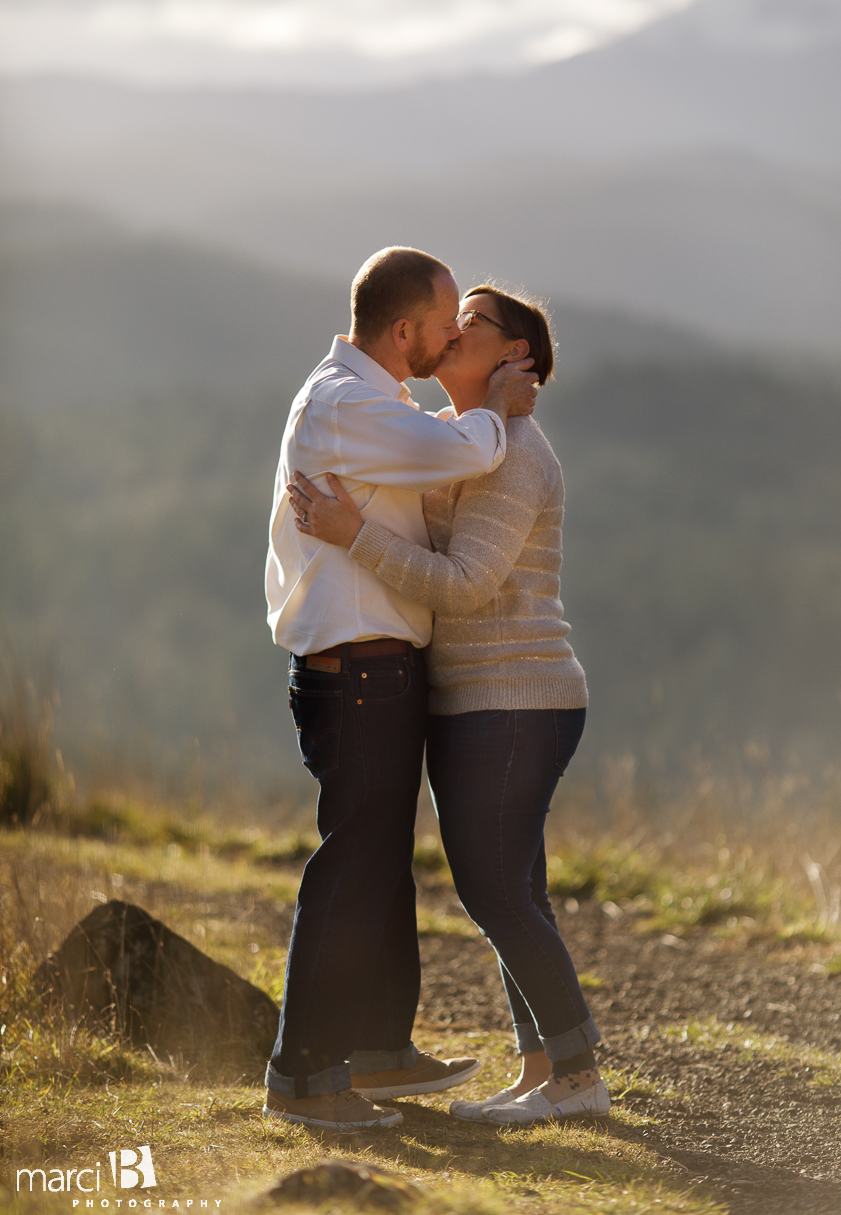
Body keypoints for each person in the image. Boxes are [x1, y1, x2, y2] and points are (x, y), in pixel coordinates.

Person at [288, 283, 610, 1128]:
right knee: (515, 886)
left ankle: (578, 1073)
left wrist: (352, 535)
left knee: (495, 888)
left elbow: (465, 586)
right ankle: (541, 1067)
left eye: (471, 323)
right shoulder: (463, 441)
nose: (450, 332)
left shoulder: (518, 454)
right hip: (477, 699)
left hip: (515, 696)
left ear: (512, 357)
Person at [263, 248, 539, 1133]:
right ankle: (303, 1074)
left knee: (379, 865)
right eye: (448, 320)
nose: (457, 332)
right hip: (358, 673)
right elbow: (462, 450)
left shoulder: (370, 399)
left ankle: (380, 1049)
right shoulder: (348, 407)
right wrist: (497, 406)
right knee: (352, 866)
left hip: (377, 669)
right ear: (405, 331)